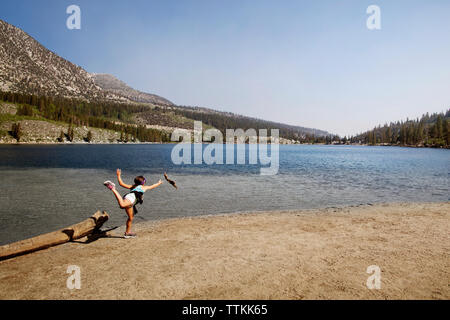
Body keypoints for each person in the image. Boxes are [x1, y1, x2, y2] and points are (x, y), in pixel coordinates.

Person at [104, 169, 163, 238]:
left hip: (131, 201)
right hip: (131, 198)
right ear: (143, 182)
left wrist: (118, 175)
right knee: (122, 205)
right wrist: (159, 183)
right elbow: (152, 186)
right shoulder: (144, 187)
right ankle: (113, 188)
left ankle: (127, 233)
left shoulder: (133, 186)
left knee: (130, 218)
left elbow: (121, 183)